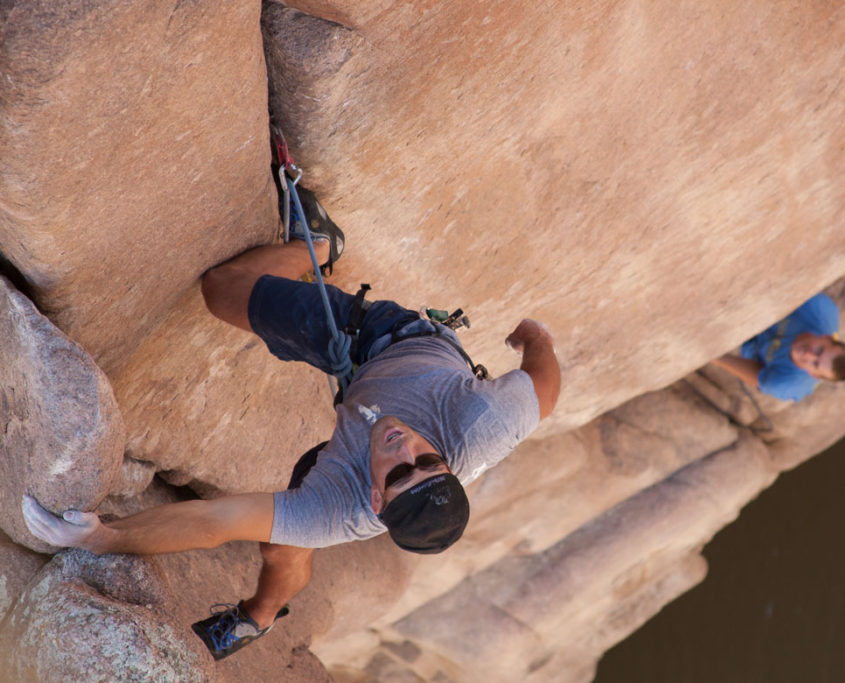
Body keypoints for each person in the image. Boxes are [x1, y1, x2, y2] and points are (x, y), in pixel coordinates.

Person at [22, 234, 560, 660]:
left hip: (349, 442)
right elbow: (545, 384)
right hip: (389, 342)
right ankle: (321, 244)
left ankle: (257, 617)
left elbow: (217, 523)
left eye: (399, 474)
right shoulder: (484, 420)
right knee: (223, 288)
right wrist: (535, 336)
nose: (406, 447)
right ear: (446, 462)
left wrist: (104, 537)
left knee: (281, 548)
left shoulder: (340, 508)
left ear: (375, 501)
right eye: (427, 461)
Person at [711, 292, 845, 401]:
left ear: (814, 375)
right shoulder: (819, 308)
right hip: (760, 301)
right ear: (826, 337)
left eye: (815, 364)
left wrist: (711, 355)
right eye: (819, 350)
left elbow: (757, 376)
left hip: (748, 342)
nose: (808, 354)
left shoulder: (789, 384)